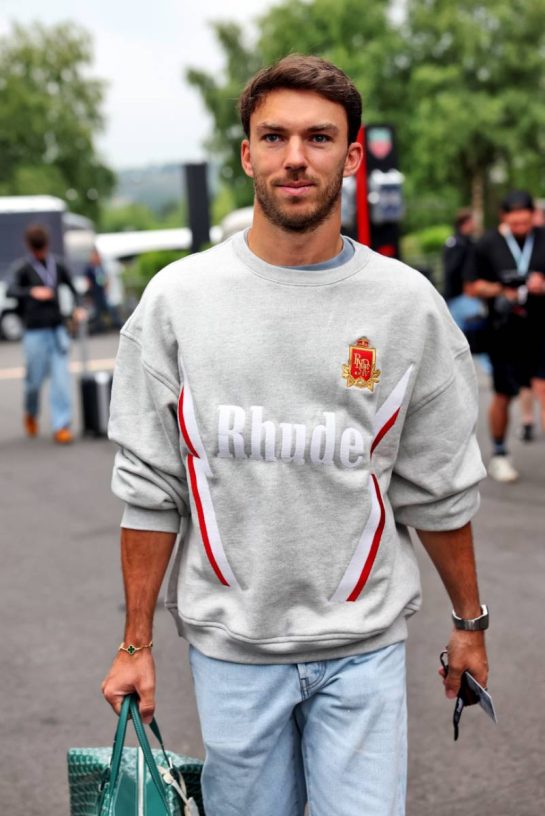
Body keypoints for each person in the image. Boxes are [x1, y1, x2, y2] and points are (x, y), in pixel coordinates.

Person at [102, 55, 489, 816]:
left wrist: (468, 624)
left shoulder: (405, 306)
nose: (294, 159)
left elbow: (437, 486)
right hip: (231, 654)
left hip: (363, 651)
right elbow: (150, 487)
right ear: (246, 153)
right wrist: (135, 644)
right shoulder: (178, 302)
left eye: (318, 139)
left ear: (350, 155)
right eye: (273, 138)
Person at [465, 190, 545, 481]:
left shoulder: (542, 237)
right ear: (504, 218)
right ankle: (499, 453)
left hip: (540, 326)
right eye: (516, 223)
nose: (522, 227)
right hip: (504, 330)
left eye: (526, 222)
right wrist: (503, 290)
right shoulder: (488, 244)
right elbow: (472, 287)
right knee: (503, 395)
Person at [7, 224, 85, 444]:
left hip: (57, 329)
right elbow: (11, 290)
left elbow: (73, 288)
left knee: (61, 379)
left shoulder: (57, 264)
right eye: (37, 249)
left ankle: (61, 425)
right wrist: (32, 291)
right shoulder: (22, 268)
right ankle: (30, 412)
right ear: (31, 248)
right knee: (33, 382)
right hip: (34, 332)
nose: (40, 253)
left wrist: (78, 308)